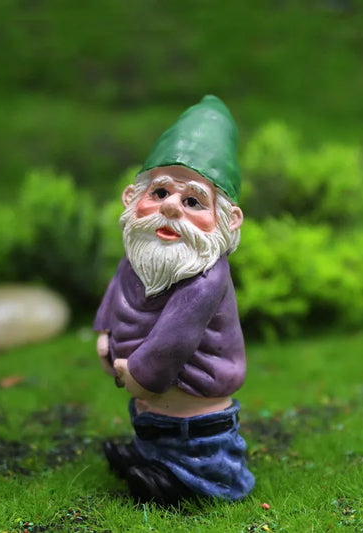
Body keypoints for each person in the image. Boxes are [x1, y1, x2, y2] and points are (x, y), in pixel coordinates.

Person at [94, 95, 255, 504]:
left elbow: (172, 342)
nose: (169, 207)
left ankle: (192, 483)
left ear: (229, 219)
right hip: (150, 403)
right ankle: (149, 458)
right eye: (160, 191)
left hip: (192, 406)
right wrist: (105, 332)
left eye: (192, 201)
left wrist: (137, 375)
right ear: (131, 198)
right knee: (154, 430)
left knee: (198, 455)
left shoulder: (204, 279)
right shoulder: (140, 254)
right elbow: (116, 292)